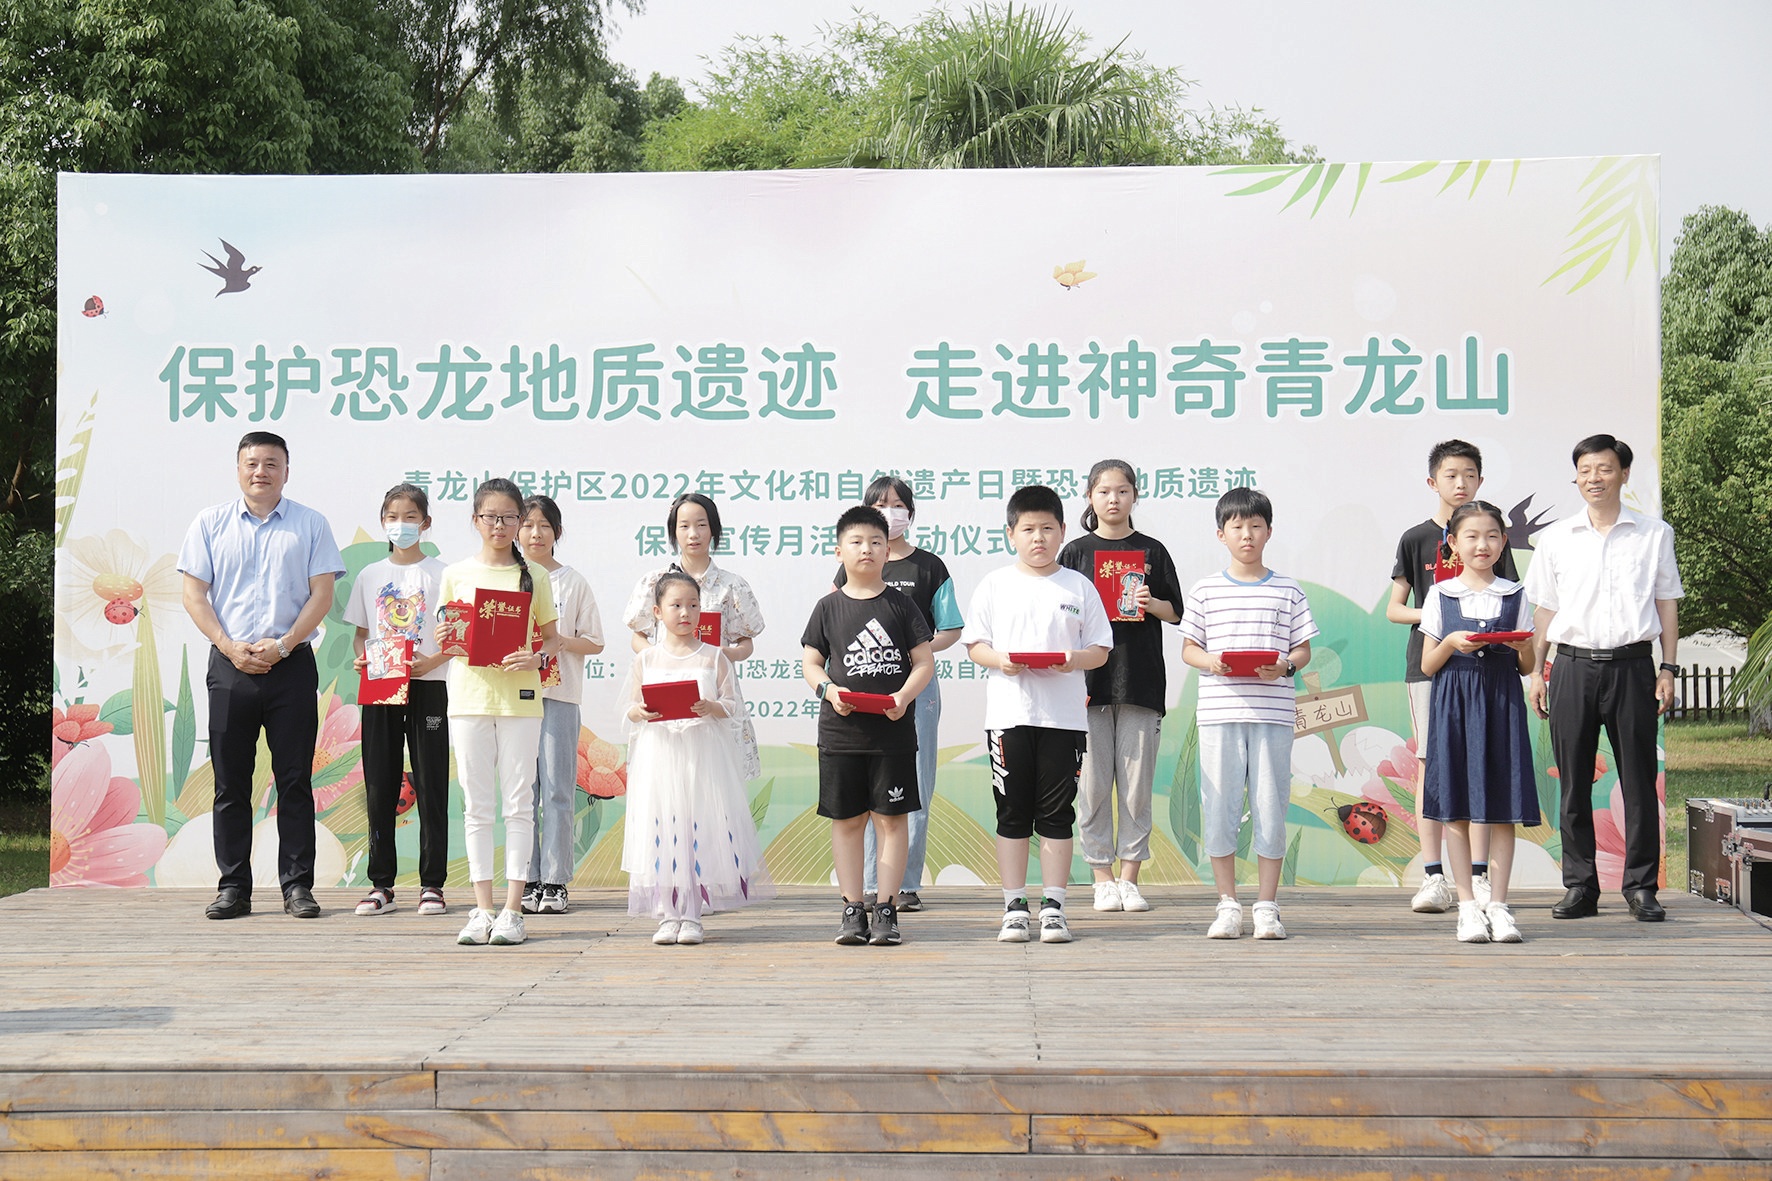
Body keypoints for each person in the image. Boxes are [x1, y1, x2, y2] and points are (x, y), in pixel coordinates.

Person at [178, 431, 345, 921]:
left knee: (294, 779)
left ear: (286, 471)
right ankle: (233, 887)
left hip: (290, 665)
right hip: (230, 666)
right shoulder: (209, 523)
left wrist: (284, 644)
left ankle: (297, 887)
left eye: (272, 463)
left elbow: (321, 596)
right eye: (251, 463)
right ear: (238, 469)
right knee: (230, 782)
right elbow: (194, 595)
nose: (261, 472)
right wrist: (228, 646)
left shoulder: (311, 524)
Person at [1526, 434, 1683, 923]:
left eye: (1605, 468)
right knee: (1573, 783)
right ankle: (1580, 886)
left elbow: (1666, 603)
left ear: (1624, 474)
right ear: (1576, 477)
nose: (1594, 478)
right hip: (1571, 668)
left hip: (1633, 667)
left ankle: (1641, 887)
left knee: (1639, 780)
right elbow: (1545, 610)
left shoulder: (1654, 534)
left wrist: (1668, 667)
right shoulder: (1555, 538)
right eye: (1585, 470)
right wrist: (1537, 672)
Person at [960, 485, 1113, 945]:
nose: (1039, 538)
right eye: (1028, 529)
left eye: (1047, 528)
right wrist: (1001, 660)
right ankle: (1013, 906)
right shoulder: (994, 584)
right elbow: (975, 646)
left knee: (1056, 814)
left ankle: (1053, 908)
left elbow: (1100, 650)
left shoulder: (1078, 586)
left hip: (1064, 719)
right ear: (1011, 534)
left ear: (1063, 531)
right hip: (1009, 716)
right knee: (1011, 812)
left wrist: (1072, 659)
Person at [1386, 439, 1520, 914]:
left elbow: (1509, 600)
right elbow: (1394, 608)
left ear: (1480, 480)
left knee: (1482, 762)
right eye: (1450, 475)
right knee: (1431, 762)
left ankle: (1479, 877)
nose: (1460, 483)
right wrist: (1442, 617)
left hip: (1485, 669)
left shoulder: (1492, 534)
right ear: (1433, 481)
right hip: (1431, 665)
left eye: (1469, 475)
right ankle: (1433, 876)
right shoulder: (1415, 538)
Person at [1180, 486, 1317, 941]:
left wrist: (1285, 666)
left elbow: (1302, 650)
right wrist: (1211, 661)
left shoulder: (1288, 589)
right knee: (1219, 806)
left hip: (1273, 715)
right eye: (1237, 526)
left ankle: (1267, 906)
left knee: (1270, 807)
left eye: (1255, 526)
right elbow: (1189, 649)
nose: (1247, 535)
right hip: (1219, 714)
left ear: (1269, 532)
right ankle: (1227, 904)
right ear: (1221, 534)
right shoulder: (1205, 589)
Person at [803, 505, 935, 946]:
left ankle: (886, 909)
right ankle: (852, 909)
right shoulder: (827, 607)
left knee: (891, 821)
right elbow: (811, 663)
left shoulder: (902, 604)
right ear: (838, 550)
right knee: (847, 822)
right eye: (857, 542)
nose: (867, 549)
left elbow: (924, 662)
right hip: (840, 736)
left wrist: (903, 697)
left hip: (892, 736)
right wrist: (829, 691)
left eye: (876, 542)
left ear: (887, 550)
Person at [439, 478, 561, 947]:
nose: (500, 525)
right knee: (476, 806)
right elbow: (448, 636)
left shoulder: (536, 576)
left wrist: (536, 656)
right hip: (469, 699)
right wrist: (451, 639)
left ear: (519, 521)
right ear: (475, 520)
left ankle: (512, 911)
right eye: (491, 517)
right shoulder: (456, 573)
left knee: (518, 804)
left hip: (520, 702)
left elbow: (552, 638)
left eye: (509, 517)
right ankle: (482, 908)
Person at [1057, 459, 1182, 914]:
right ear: (1090, 496)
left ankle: (1130, 878)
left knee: (1135, 787)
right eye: (1104, 491)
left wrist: (1152, 603)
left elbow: (1176, 612)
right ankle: (1101, 878)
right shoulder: (1074, 553)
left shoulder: (1152, 550)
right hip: (1086, 686)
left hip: (1140, 682)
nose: (1114, 499)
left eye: (1123, 491)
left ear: (1135, 496)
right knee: (1091, 787)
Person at [832, 476, 963, 912]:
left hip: (916, 687)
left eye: (897, 505)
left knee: (914, 783)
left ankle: (905, 885)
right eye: (879, 505)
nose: (889, 513)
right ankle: (871, 884)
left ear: (910, 512)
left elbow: (951, 628)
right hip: (864, 687)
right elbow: (835, 625)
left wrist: (915, 653)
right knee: (867, 785)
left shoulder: (929, 567)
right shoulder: (854, 565)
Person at [622, 571, 772, 946]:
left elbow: (731, 705)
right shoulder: (647, 659)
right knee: (662, 830)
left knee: (696, 830)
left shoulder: (713, 656)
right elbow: (631, 709)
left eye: (693, 605)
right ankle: (667, 914)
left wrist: (711, 707)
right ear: (657, 612)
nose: (685, 613)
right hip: (660, 756)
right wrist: (642, 712)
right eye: (675, 605)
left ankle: (691, 914)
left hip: (702, 757)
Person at [1418, 501, 1540, 944]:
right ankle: (1468, 906)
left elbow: (1527, 665)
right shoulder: (1441, 595)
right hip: (1454, 702)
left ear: (1503, 542)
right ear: (1454, 543)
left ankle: (1500, 906)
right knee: (1456, 807)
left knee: (1503, 806)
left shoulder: (1515, 594)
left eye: (1491, 536)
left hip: (1501, 701)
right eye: (1471, 536)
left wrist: (1522, 646)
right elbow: (1428, 665)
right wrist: (1451, 642)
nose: (1482, 545)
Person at [344, 483, 452, 917]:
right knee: (380, 783)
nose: (401, 525)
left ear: (426, 523)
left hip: (429, 684)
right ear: (382, 522)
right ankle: (381, 885)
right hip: (382, 684)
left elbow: (456, 636)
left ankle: (433, 885)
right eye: (393, 517)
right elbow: (361, 635)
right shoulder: (370, 575)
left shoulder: (444, 574)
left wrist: (434, 661)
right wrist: (362, 660)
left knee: (431, 782)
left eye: (410, 517)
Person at [622, 494, 766, 780]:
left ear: (713, 530)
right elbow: (637, 637)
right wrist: (657, 655)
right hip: (666, 690)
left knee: (716, 780)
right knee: (665, 777)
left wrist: (725, 654)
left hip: (714, 693)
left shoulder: (731, 586)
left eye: (701, 525)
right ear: (673, 532)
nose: (693, 534)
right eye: (684, 526)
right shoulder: (655, 582)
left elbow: (746, 643)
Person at [516, 495, 605, 917]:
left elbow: (596, 642)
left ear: (558, 533)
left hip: (560, 696)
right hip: (513, 699)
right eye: (528, 525)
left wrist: (556, 642)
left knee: (556, 789)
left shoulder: (572, 582)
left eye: (545, 526)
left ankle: (555, 880)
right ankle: (527, 878)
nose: (536, 534)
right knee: (522, 793)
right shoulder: (506, 578)